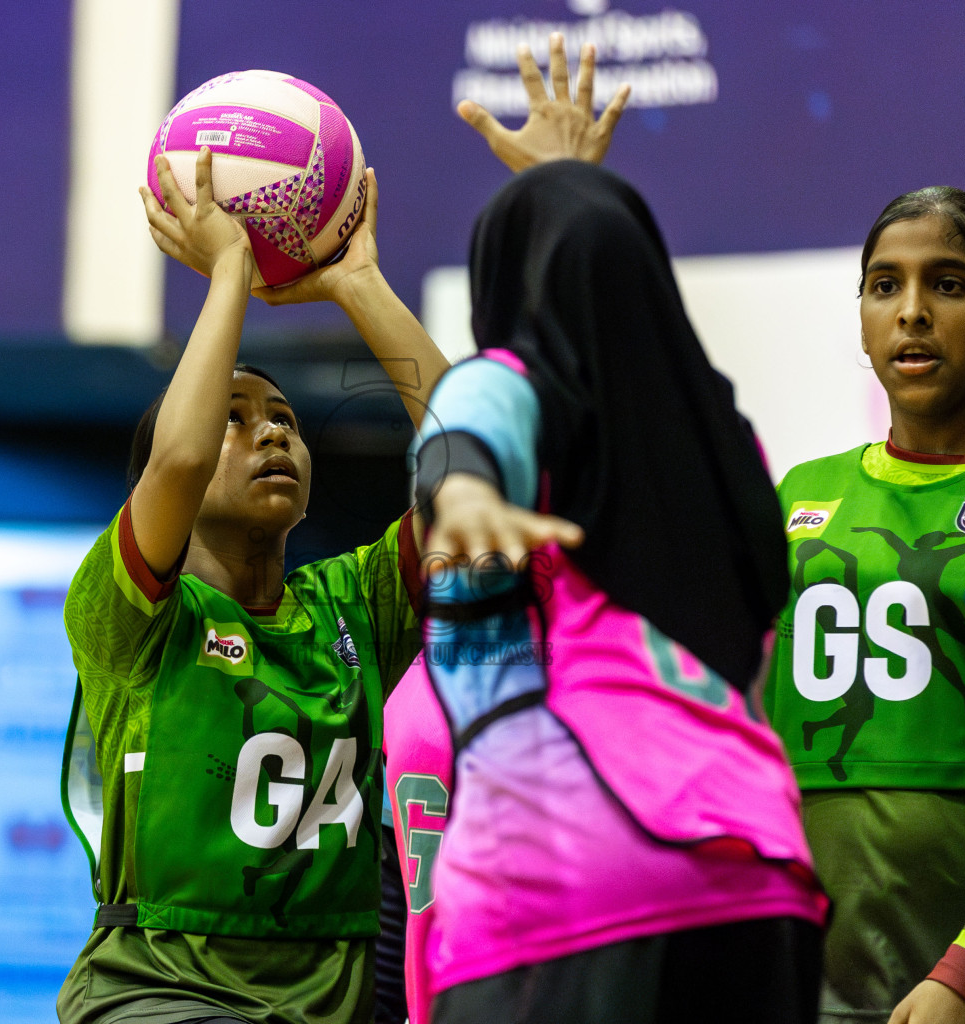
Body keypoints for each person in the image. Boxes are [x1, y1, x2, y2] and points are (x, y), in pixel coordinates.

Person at [405, 34, 829, 1024]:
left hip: (566, 874)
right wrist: (579, 203)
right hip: (758, 872)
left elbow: (469, 412)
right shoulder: (729, 449)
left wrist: (460, 492)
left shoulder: (511, 386)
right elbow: (610, 305)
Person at [56, 144, 448, 1024]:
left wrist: (362, 287)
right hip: (160, 993)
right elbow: (182, 455)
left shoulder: (353, 604)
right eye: (235, 419)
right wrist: (229, 267)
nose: (270, 433)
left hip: (327, 999)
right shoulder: (128, 614)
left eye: (284, 418)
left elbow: (477, 466)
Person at [764, 187, 965, 1024]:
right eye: (885, 286)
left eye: (948, 285)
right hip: (810, 985)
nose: (910, 313)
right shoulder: (803, 494)